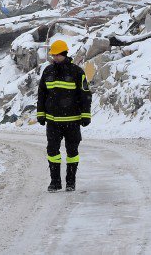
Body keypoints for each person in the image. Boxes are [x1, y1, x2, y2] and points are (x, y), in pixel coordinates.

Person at [36, 39, 92, 192]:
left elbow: (85, 95)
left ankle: (70, 182)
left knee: (72, 152)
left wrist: (86, 115)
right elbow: (42, 94)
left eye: (57, 55)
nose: (54, 58)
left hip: (72, 121)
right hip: (53, 122)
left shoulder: (77, 72)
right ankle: (55, 182)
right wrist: (41, 113)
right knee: (52, 152)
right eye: (53, 55)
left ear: (64, 54)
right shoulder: (48, 71)